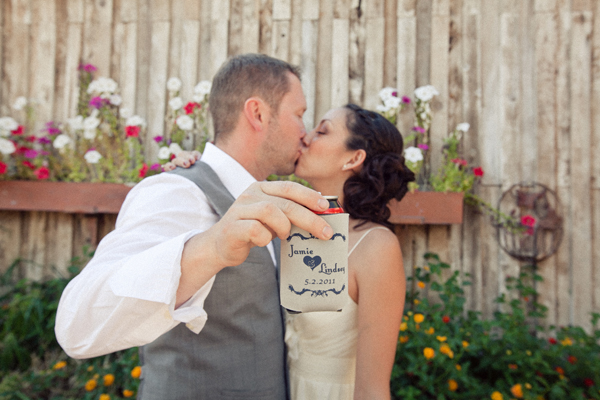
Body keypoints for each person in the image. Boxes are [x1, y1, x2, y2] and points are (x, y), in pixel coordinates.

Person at [55, 53, 335, 400]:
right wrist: (212, 247)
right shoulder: (176, 192)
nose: (304, 133)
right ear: (258, 113)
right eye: (299, 115)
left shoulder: (273, 202)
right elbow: (76, 327)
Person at [167, 104, 415, 399]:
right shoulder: (285, 224)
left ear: (353, 158)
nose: (305, 137)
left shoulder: (375, 246)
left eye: (322, 131)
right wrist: (195, 166)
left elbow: (373, 390)